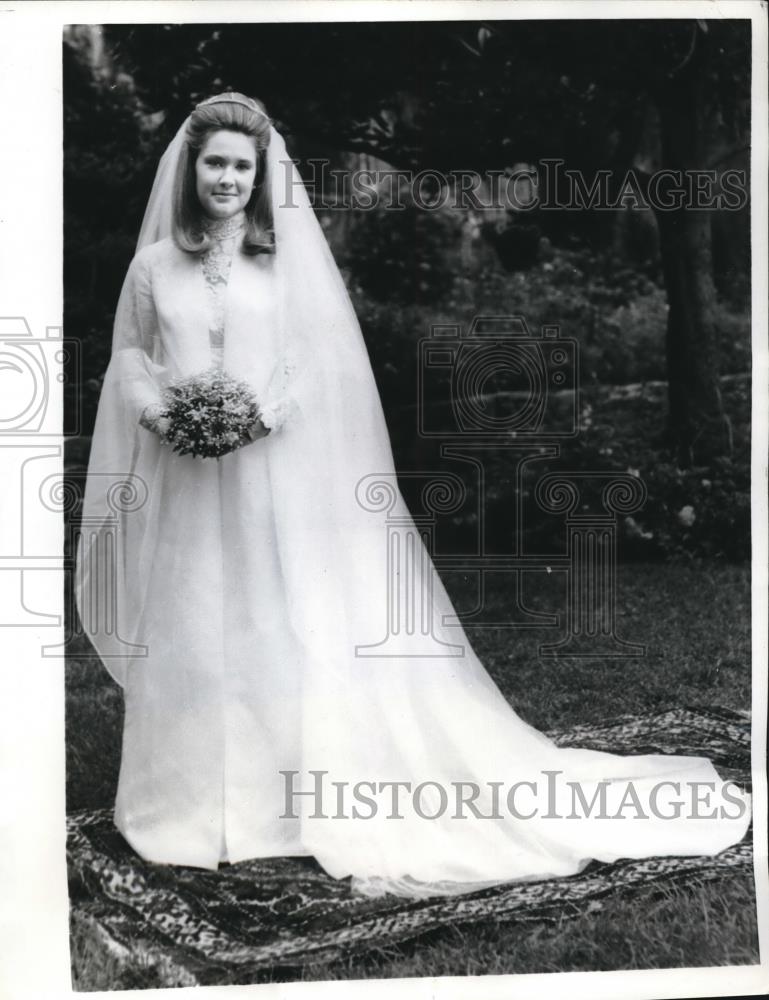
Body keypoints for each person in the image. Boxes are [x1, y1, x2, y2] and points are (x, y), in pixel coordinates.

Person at [76, 93, 751, 898]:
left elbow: (311, 360)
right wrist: (166, 414)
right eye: (213, 163)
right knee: (195, 622)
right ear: (191, 171)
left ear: (260, 177)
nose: (225, 177)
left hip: (269, 471)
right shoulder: (154, 267)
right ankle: (184, 808)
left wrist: (258, 415)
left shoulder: (280, 256)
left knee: (274, 620)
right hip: (188, 474)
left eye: (240, 165)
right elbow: (130, 362)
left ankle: (276, 805)